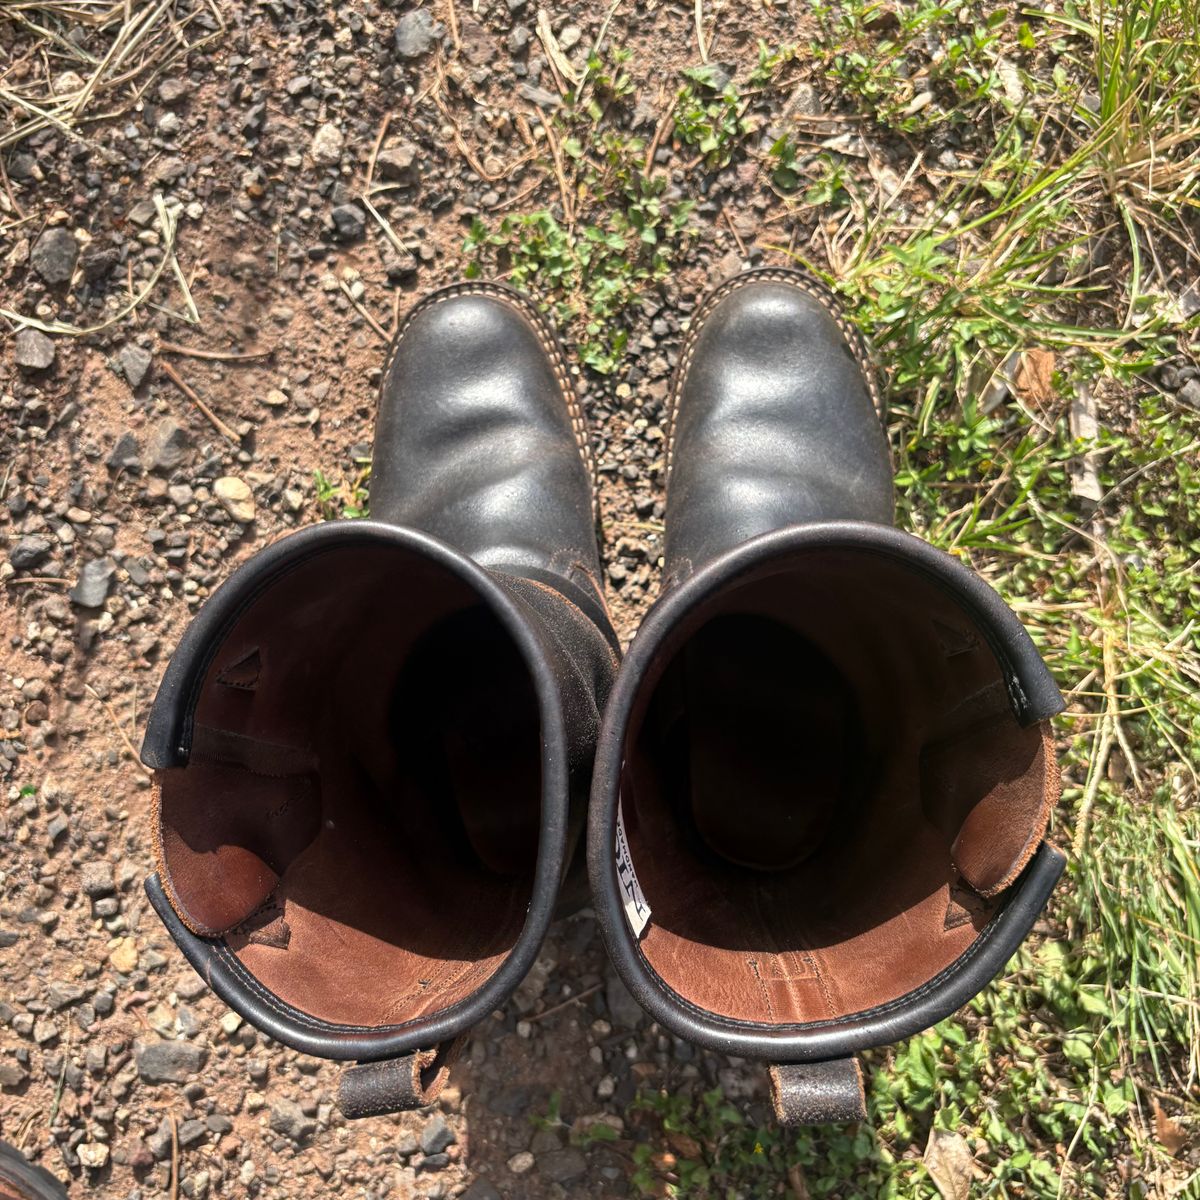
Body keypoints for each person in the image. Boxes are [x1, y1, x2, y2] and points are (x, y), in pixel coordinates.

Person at [143, 270, 1062, 1124]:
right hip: (711, 799)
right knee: (743, 657)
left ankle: (545, 637)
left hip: (508, 837)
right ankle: (678, 612)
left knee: (494, 666)